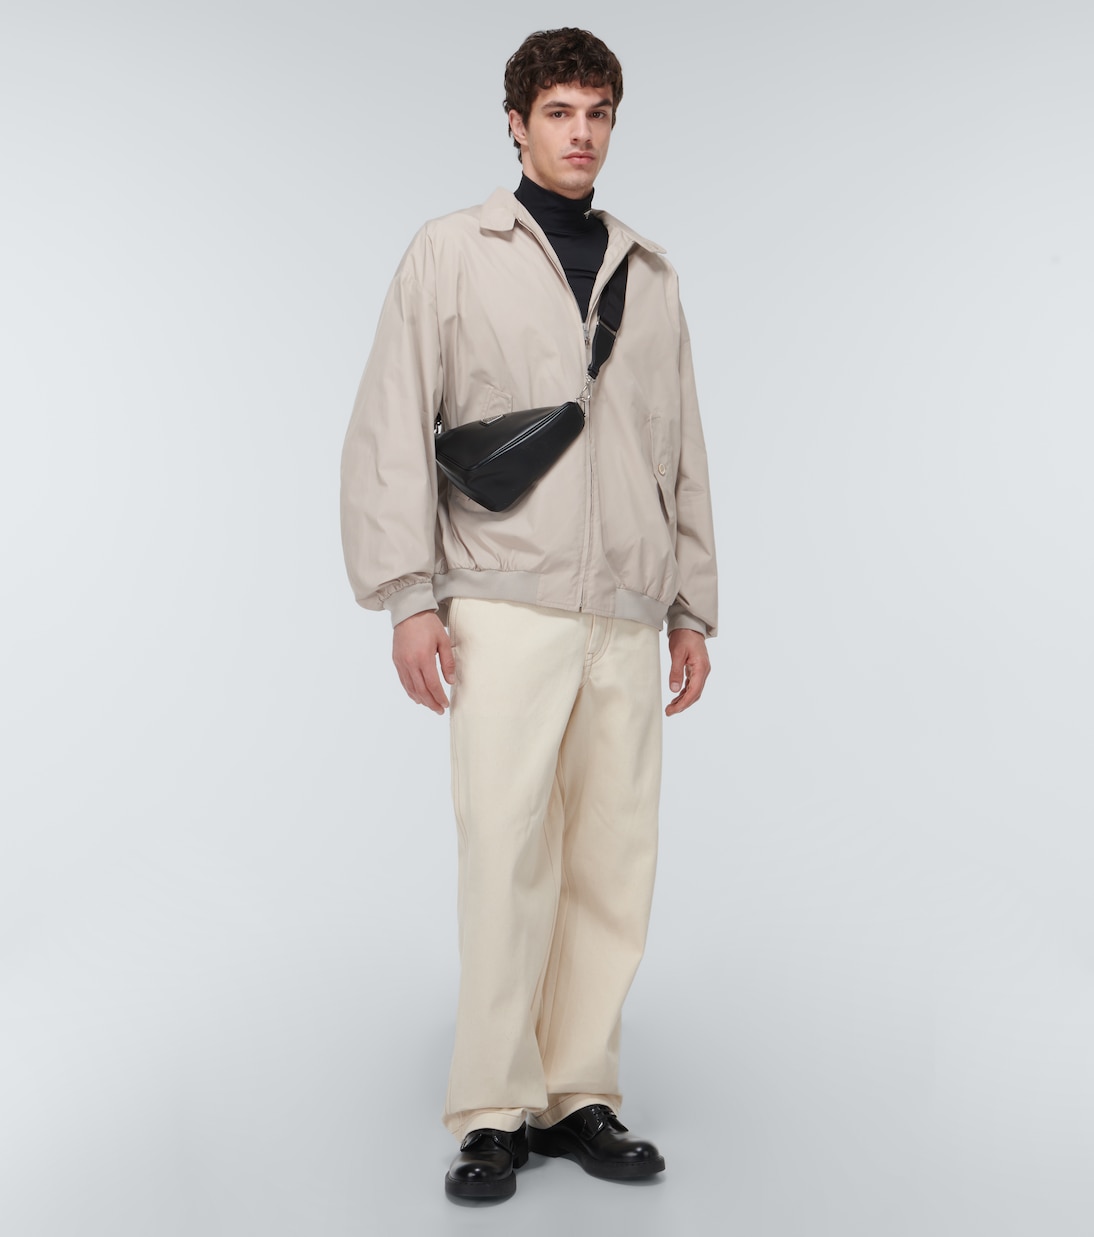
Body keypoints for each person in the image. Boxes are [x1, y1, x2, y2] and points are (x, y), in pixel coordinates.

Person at [340, 27, 718, 1202]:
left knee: (612, 859)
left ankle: (577, 1091)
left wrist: (690, 604)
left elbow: (679, 448)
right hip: (501, 601)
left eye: (596, 112)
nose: (579, 132)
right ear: (514, 122)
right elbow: (390, 424)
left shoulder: (649, 273)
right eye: (557, 111)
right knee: (506, 854)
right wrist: (408, 597)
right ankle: (492, 1108)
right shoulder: (451, 253)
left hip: (625, 611)